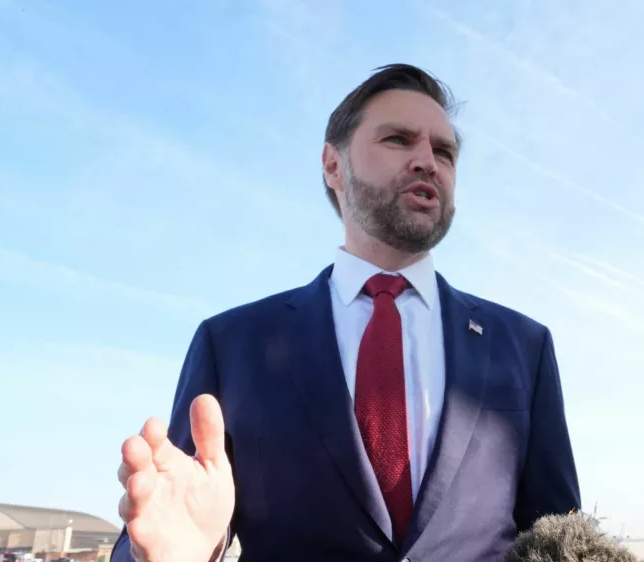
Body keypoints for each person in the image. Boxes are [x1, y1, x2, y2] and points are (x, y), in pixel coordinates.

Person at [112, 63, 581, 562]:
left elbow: (560, 541)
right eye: (399, 139)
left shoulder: (524, 346)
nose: (428, 161)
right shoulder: (231, 343)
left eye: (444, 151)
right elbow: (168, 516)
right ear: (333, 166)